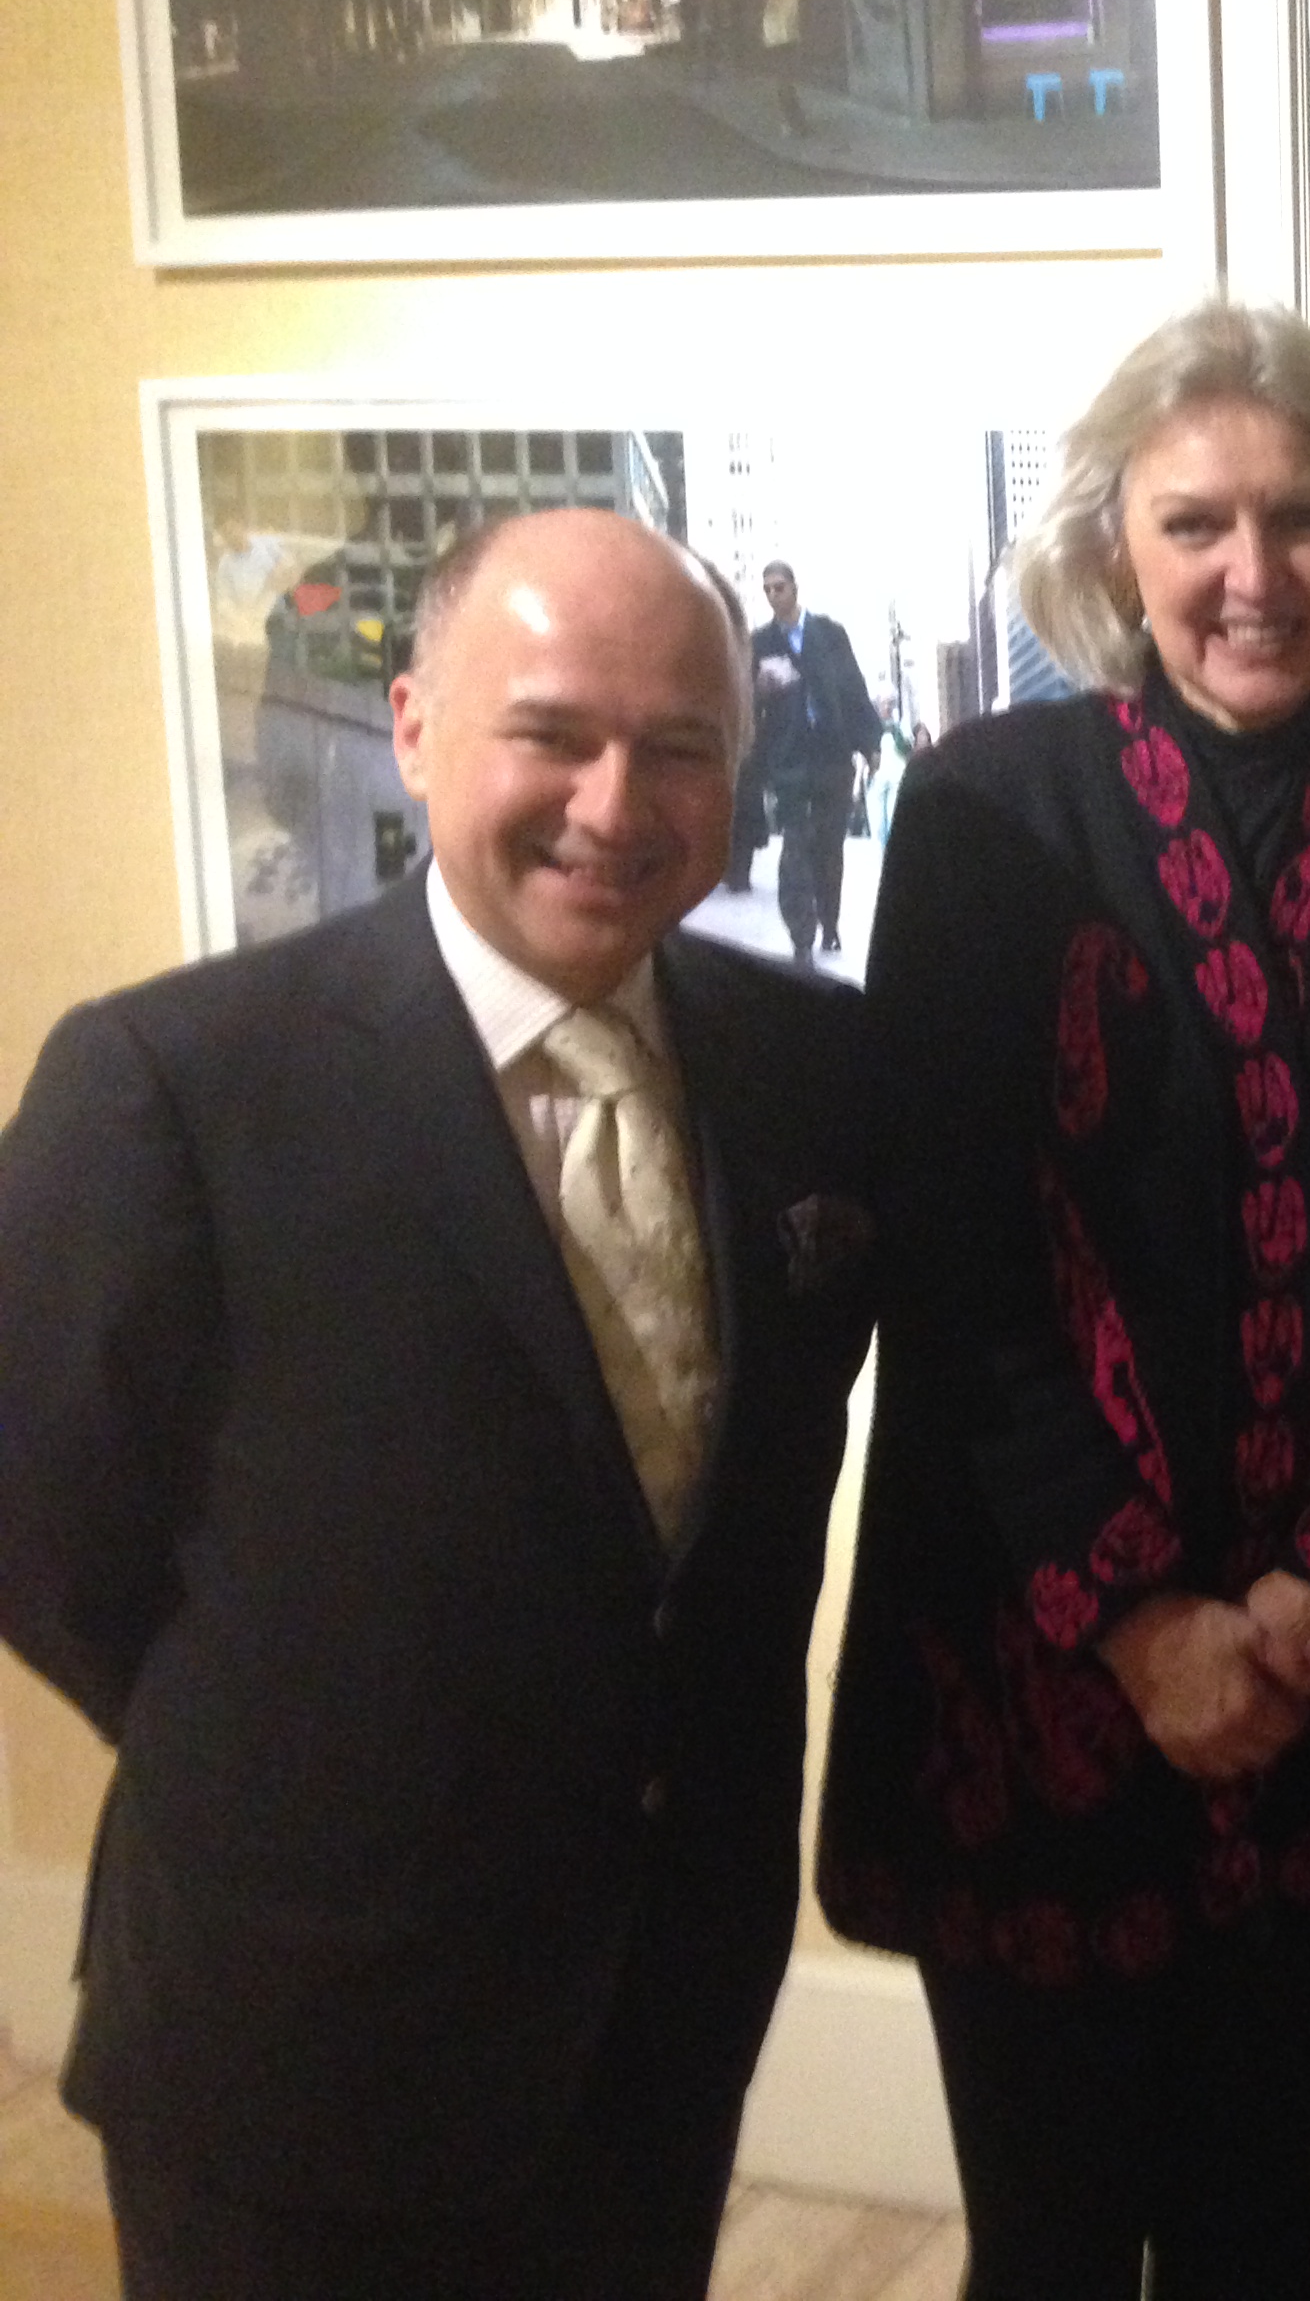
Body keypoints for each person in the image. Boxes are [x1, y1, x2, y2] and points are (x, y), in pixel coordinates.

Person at [0, 509, 878, 2299]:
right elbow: (42, 1534)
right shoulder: (172, 1087)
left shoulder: (813, 1068)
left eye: (680, 746)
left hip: (663, 2009)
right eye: (552, 732)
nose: (616, 803)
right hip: (299, 2034)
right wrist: (307, 1739)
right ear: (412, 727)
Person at [813, 300, 1310, 2301]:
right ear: (1112, 546)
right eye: (1195, 524)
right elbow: (949, 1244)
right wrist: (1142, 1619)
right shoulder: (986, 807)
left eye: (1300, 518)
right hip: (1037, 1651)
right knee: (1054, 2238)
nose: (1255, 573)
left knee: (1255, 2216)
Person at [752, 559, 879, 963]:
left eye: (779, 587)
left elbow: (854, 688)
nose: (773, 595)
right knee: (795, 845)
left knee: (829, 847)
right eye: (767, 589)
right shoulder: (761, 643)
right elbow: (746, 701)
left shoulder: (830, 634)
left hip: (833, 757)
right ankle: (802, 935)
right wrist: (759, 689)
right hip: (788, 760)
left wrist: (870, 743)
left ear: (795, 588)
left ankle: (829, 921)